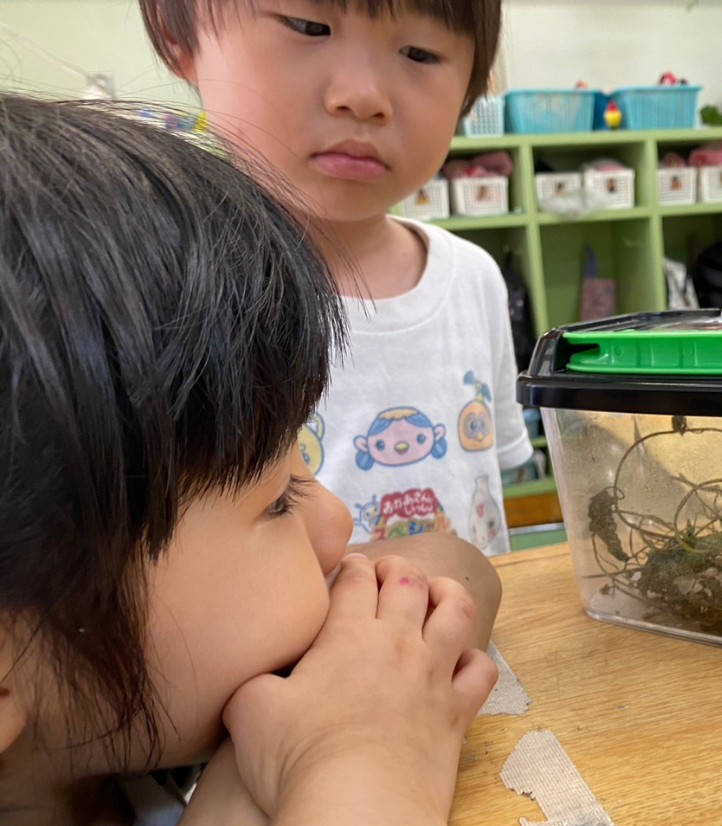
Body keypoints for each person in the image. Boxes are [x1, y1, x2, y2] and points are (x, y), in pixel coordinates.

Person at [0, 93, 497, 826]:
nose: (335, 522)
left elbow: (452, 562)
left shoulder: (115, 739)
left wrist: (259, 777)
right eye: (275, 501)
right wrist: (362, 759)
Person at [140, 0, 535, 555]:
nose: (363, 97)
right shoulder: (166, 298)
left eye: (420, 53)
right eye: (309, 27)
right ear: (175, 32)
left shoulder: (474, 278)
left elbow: (491, 480)